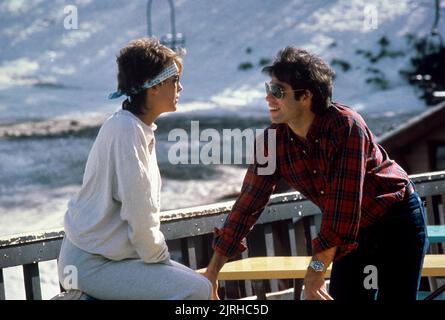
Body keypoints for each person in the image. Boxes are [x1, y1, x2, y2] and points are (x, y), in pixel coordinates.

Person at [203, 47, 429, 301]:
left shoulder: (345, 127)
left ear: (306, 96)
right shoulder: (272, 140)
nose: (268, 98)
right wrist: (212, 272)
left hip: (395, 222)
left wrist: (316, 270)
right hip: (348, 234)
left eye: (277, 91)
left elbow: (342, 208)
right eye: (268, 89)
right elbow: (247, 204)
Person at [57, 38, 211, 300]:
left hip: (109, 259)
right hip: (93, 263)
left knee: (195, 285)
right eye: (174, 80)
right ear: (154, 87)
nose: (180, 87)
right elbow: (139, 214)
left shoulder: (131, 127)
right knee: (197, 289)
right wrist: (161, 259)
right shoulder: (126, 131)